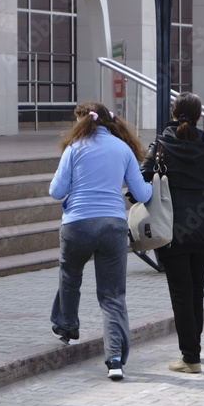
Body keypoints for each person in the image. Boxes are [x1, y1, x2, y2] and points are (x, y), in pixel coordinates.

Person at [49, 102, 152, 381]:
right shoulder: (123, 149)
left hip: (77, 225)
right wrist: (154, 186)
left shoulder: (74, 148)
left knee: (70, 275)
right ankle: (115, 359)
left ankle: (67, 327)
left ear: (82, 121)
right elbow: (142, 194)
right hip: (113, 227)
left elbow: (56, 191)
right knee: (112, 295)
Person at [140, 92, 204, 374]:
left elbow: (141, 181)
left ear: (172, 112)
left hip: (171, 229)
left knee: (181, 293)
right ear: (199, 116)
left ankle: (190, 357)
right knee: (196, 291)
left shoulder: (161, 145)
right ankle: (193, 350)